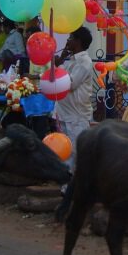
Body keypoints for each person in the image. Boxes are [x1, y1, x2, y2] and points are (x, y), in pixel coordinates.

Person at [53, 26, 95, 171]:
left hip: (77, 115)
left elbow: (70, 84)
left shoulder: (84, 62)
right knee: (65, 150)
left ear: (78, 41)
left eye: (70, 38)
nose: (67, 41)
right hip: (64, 112)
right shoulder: (69, 59)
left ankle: (74, 186)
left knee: (76, 152)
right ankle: (66, 184)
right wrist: (61, 61)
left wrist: (59, 66)